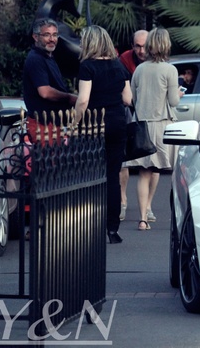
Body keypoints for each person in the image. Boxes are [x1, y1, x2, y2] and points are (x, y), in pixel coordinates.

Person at [74, 25, 132, 244]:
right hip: (117, 122)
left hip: (94, 124)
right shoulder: (119, 66)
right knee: (113, 175)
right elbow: (128, 99)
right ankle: (112, 228)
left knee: (90, 174)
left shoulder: (87, 66)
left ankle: (90, 224)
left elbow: (83, 100)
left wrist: (74, 123)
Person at [126, 28, 182, 231]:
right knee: (157, 169)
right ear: (166, 45)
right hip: (161, 126)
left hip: (142, 126)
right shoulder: (170, 70)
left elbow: (133, 98)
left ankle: (142, 218)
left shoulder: (140, 69)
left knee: (143, 172)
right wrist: (178, 93)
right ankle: (149, 207)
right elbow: (174, 101)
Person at [22, 18, 77, 144]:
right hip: (42, 124)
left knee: (54, 161)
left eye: (55, 35)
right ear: (35, 37)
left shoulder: (48, 57)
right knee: (47, 162)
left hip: (52, 123)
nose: (52, 39)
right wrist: (70, 98)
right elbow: (45, 92)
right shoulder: (36, 59)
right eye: (47, 35)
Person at [118, 30, 148, 222]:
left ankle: (148, 206)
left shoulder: (156, 60)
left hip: (148, 111)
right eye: (137, 45)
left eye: (144, 45)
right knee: (124, 159)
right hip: (128, 109)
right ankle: (122, 200)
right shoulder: (124, 59)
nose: (141, 50)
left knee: (150, 163)